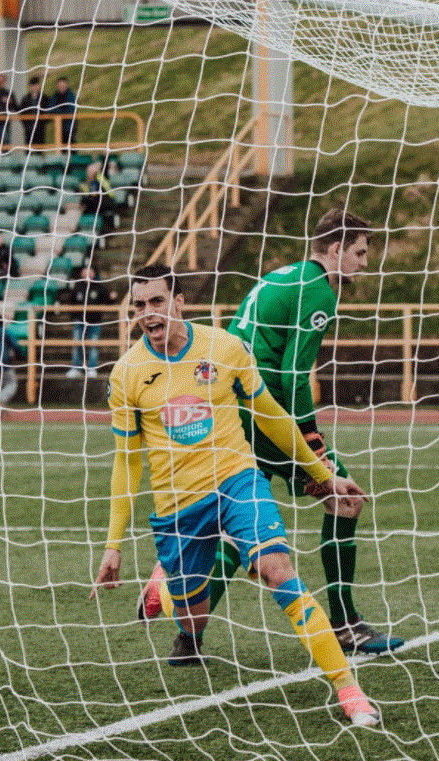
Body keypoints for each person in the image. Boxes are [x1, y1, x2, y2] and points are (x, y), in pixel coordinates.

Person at [90, 264, 380, 727]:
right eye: (139, 305)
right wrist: (113, 544)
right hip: (178, 505)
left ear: (179, 301)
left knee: (278, 570)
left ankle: (350, 691)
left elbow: (270, 416)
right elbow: (126, 463)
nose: (148, 313)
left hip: (237, 482)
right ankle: (164, 586)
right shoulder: (127, 373)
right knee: (192, 618)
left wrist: (321, 473)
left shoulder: (223, 348)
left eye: (157, 302)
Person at [138, 210, 403, 655]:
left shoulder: (286, 274)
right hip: (266, 415)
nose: (363, 262)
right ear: (336, 248)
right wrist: (310, 436)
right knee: (346, 499)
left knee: (235, 528)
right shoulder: (319, 290)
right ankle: (345, 626)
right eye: (359, 252)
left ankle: (188, 637)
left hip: (231, 411)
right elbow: (294, 371)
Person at [56, 264, 116, 378]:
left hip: (95, 321)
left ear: (94, 273)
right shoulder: (77, 287)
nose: (88, 274)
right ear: (81, 274)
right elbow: (70, 302)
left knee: (93, 345)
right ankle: (76, 368)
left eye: (90, 271)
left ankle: (92, 368)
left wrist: (113, 297)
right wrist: (74, 317)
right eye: (85, 271)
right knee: (77, 344)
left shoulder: (99, 287)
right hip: (79, 322)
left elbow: (108, 300)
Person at [79, 161, 117, 234]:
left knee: (83, 205)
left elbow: (93, 196)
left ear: (93, 173)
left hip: (104, 203)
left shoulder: (96, 182)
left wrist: (83, 200)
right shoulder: (90, 181)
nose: (88, 173)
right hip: (98, 202)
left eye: (89, 172)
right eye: (88, 172)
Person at [46, 76, 77, 149]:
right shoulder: (55, 96)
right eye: (59, 85)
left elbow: (70, 111)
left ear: (66, 85)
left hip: (70, 126)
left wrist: (57, 111)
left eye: (63, 85)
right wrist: (61, 112)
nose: (61, 87)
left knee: (71, 146)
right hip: (59, 127)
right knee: (61, 147)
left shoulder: (71, 96)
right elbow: (50, 109)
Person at [15, 76, 45, 147]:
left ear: (39, 86)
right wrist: (25, 123)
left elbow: (48, 111)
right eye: (33, 85)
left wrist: (43, 121)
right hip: (29, 128)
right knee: (28, 148)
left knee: (40, 148)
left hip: (40, 128)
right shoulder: (25, 99)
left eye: (36, 85)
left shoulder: (44, 98)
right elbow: (20, 111)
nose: (35, 87)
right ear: (30, 87)